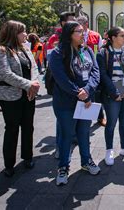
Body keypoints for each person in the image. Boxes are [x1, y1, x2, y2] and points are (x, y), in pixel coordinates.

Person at [49, 21, 101, 185]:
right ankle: (63, 167)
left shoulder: (87, 50)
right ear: (69, 34)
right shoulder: (58, 53)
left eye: (83, 30)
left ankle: (86, 161)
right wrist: (79, 93)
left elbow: (95, 72)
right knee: (66, 136)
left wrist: (88, 90)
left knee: (84, 133)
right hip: (66, 102)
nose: (83, 33)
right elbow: (61, 78)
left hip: (85, 101)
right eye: (78, 31)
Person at [0, 21, 40, 177]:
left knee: (28, 127)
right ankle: (9, 164)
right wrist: (28, 84)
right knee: (12, 129)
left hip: (28, 95)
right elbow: (4, 73)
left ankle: (27, 156)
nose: (26, 35)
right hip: (10, 96)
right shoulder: (0, 50)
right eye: (22, 32)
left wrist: (34, 83)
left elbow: (34, 68)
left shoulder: (25, 48)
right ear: (13, 32)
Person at [97, 27, 124, 166]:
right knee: (111, 123)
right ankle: (109, 150)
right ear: (113, 38)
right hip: (112, 94)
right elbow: (102, 75)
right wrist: (114, 92)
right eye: (122, 35)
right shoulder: (103, 52)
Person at [47, 11, 76, 159]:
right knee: (62, 121)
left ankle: (72, 141)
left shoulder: (79, 38)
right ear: (64, 23)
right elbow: (53, 66)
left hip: (78, 86)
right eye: (71, 21)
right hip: (62, 87)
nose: (75, 23)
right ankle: (61, 148)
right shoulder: (54, 39)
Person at [76, 15, 106, 126]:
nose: (78, 27)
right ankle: (81, 119)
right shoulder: (74, 36)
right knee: (82, 93)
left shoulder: (96, 36)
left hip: (93, 70)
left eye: (80, 25)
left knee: (96, 94)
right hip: (79, 70)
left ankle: (100, 117)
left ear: (86, 24)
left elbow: (101, 52)